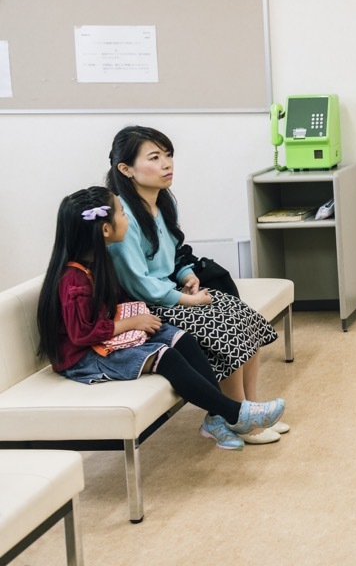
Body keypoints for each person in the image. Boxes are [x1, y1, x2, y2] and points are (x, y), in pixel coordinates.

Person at [35, 186, 285, 452]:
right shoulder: (73, 280)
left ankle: (218, 417)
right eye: (121, 214)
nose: (127, 219)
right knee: (166, 357)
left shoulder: (99, 261)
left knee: (182, 339)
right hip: (84, 356)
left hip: (106, 337)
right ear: (105, 230)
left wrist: (139, 316)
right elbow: (82, 334)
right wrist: (133, 323)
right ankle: (235, 414)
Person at [105, 125, 289, 445]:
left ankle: (249, 408)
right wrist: (184, 300)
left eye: (168, 155)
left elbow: (174, 253)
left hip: (171, 293)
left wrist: (186, 275)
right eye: (154, 157)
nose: (167, 164)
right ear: (126, 169)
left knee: (242, 315)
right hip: (148, 304)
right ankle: (237, 418)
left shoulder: (164, 201)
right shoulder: (123, 215)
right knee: (225, 327)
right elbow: (137, 282)